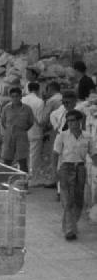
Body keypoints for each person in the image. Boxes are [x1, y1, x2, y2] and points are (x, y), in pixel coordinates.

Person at [53, 110, 97, 240]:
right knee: (68, 201)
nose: (71, 123)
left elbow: (93, 154)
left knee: (78, 201)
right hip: (66, 168)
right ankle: (70, 230)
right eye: (69, 121)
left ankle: (69, 224)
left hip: (80, 169)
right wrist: (54, 171)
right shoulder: (62, 136)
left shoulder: (88, 137)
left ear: (79, 121)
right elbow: (55, 154)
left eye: (73, 120)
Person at [0, 86, 34, 172]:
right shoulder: (6, 108)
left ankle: (24, 182)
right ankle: (5, 182)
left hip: (22, 136)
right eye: (13, 96)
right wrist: (9, 130)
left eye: (17, 96)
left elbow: (30, 122)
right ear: (10, 97)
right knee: (7, 160)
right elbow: (3, 122)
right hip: (9, 136)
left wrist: (22, 130)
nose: (15, 98)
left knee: (22, 160)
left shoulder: (27, 109)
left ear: (21, 97)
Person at [22, 81, 45, 184]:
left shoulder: (22, 100)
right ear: (38, 89)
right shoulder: (40, 101)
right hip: (35, 132)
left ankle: (22, 178)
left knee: (23, 156)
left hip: (23, 131)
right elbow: (40, 120)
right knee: (34, 157)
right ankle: (33, 180)